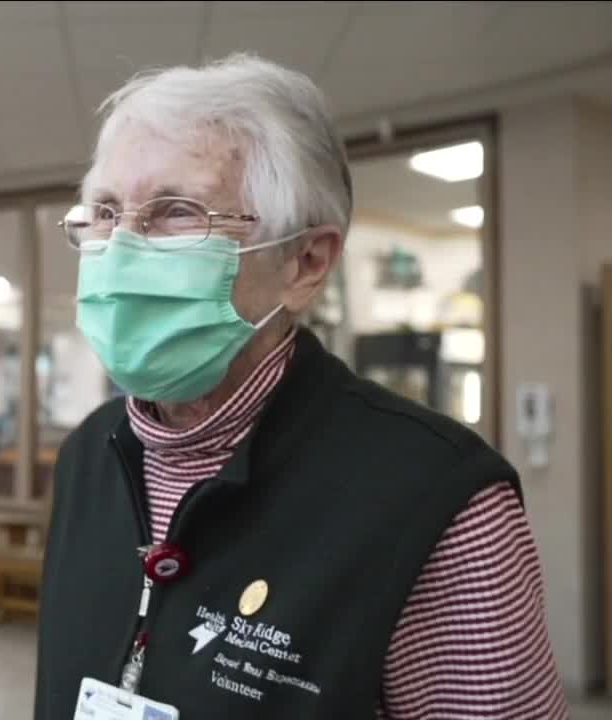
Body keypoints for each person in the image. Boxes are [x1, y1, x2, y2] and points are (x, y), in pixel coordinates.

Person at [35, 53, 566, 719]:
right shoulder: (91, 453)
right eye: (106, 213)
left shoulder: (438, 502)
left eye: (176, 212)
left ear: (305, 263)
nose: (123, 250)